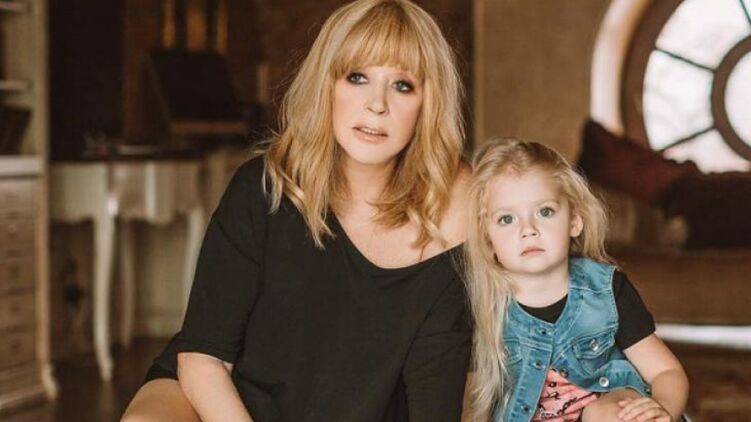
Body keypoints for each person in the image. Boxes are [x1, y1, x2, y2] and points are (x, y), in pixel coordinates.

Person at [121, 0, 472, 421]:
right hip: (218, 395)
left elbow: (437, 396)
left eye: (402, 85)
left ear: (427, 104)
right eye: (357, 77)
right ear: (327, 85)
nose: (377, 104)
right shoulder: (262, 188)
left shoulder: (452, 216)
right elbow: (202, 359)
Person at [462, 139, 689, 422]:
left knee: (609, 412)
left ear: (574, 221)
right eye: (507, 219)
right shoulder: (484, 305)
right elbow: (470, 400)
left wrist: (663, 408)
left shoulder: (606, 290)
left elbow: (666, 371)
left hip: (609, 409)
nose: (528, 230)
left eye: (545, 212)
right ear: (488, 240)